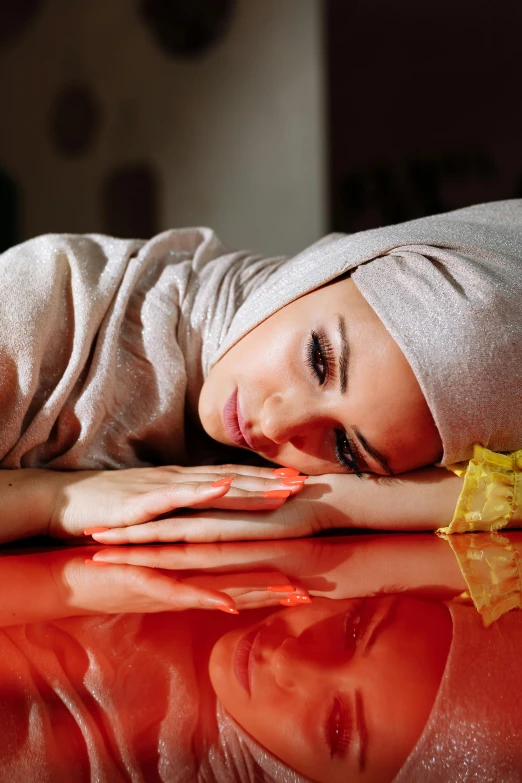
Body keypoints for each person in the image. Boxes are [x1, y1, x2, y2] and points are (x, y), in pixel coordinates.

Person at [0, 200, 522, 544]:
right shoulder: (45, 305)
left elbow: (507, 484)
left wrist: (331, 505)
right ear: (327, 268)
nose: (277, 425)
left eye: (345, 448)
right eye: (319, 359)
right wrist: (53, 500)